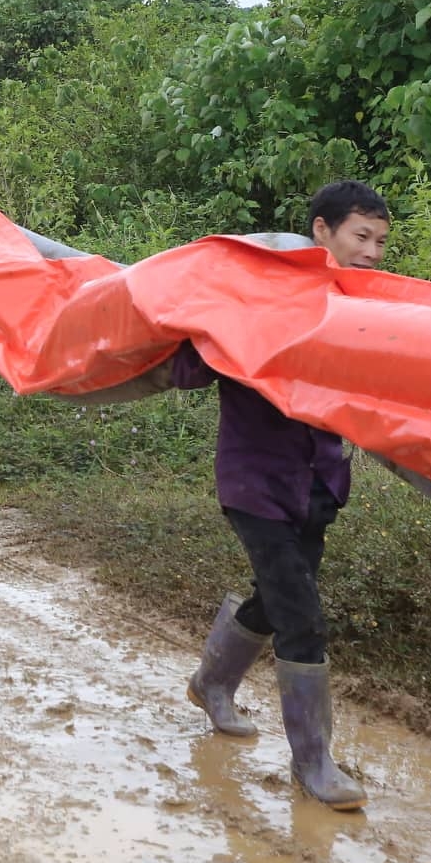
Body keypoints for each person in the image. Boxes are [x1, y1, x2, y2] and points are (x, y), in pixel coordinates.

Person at [177, 179, 390, 812]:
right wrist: (217, 320)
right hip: (256, 484)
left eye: (381, 241)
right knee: (301, 614)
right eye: (362, 236)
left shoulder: (361, 305)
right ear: (321, 231)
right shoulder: (259, 295)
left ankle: (211, 683)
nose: (373, 251)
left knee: (276, 599)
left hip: (319, 482)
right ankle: (313, 763)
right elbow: (190, 367)